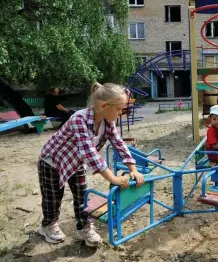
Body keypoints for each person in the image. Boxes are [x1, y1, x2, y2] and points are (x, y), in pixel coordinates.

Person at [37, 82, 144, 247]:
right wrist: (113, 178)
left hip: (76, 162)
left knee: (82, 195)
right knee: (53, 197)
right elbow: (90, 153)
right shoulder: (79, 119)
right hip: (52, 161)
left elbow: (119, 143)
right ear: (103, 105)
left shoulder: (107, 122)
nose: (121, 112)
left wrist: (133, 168)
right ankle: (48, 225)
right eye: (118, 109)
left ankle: (84, 226)